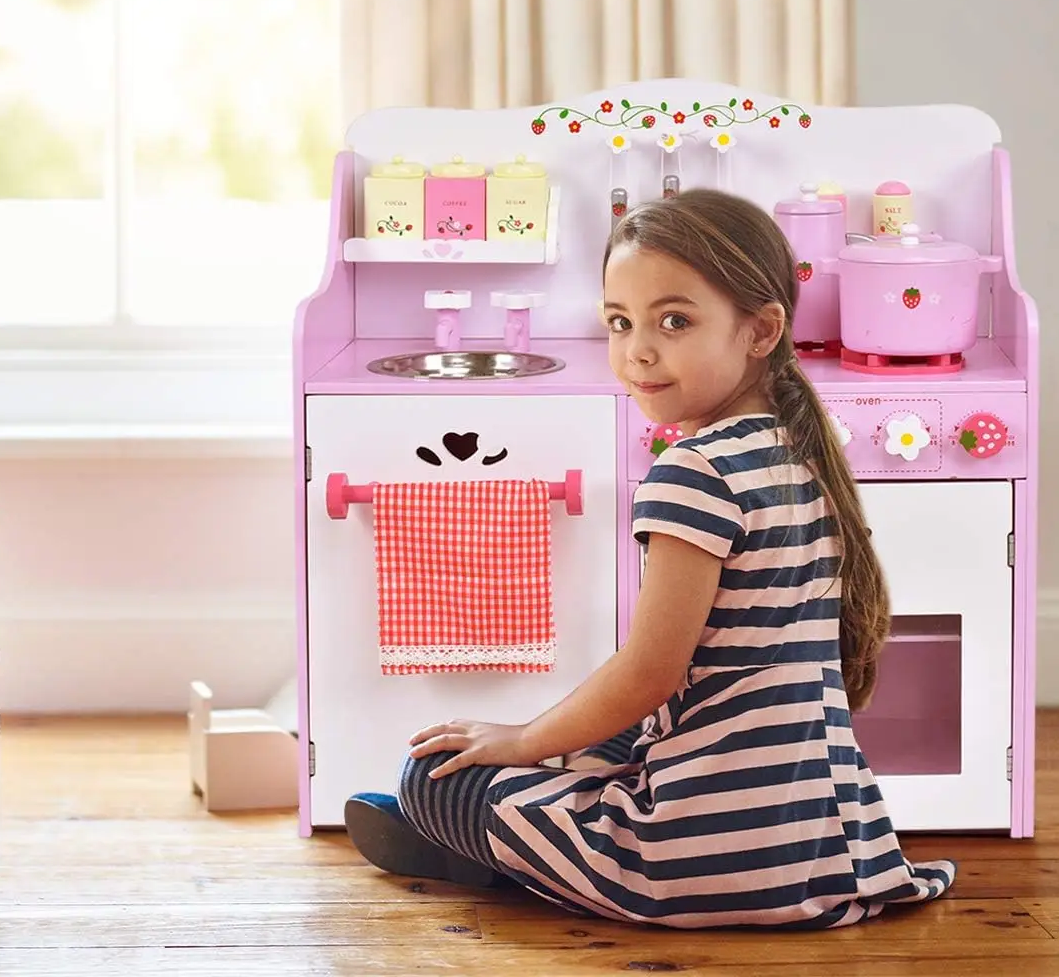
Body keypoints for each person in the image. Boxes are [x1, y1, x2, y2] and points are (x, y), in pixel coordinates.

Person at [344, 189, 955, 929]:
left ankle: (498, 852)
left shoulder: (693, 472)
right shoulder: (800, 451)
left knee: (429, 780)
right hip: (829, 849)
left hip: (695, 862)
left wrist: (525, 740)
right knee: (607, 735)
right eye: (619, 322)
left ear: (760, 330)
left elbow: (648, 672)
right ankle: (530, 831)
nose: (637, 350)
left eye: (674, 321)